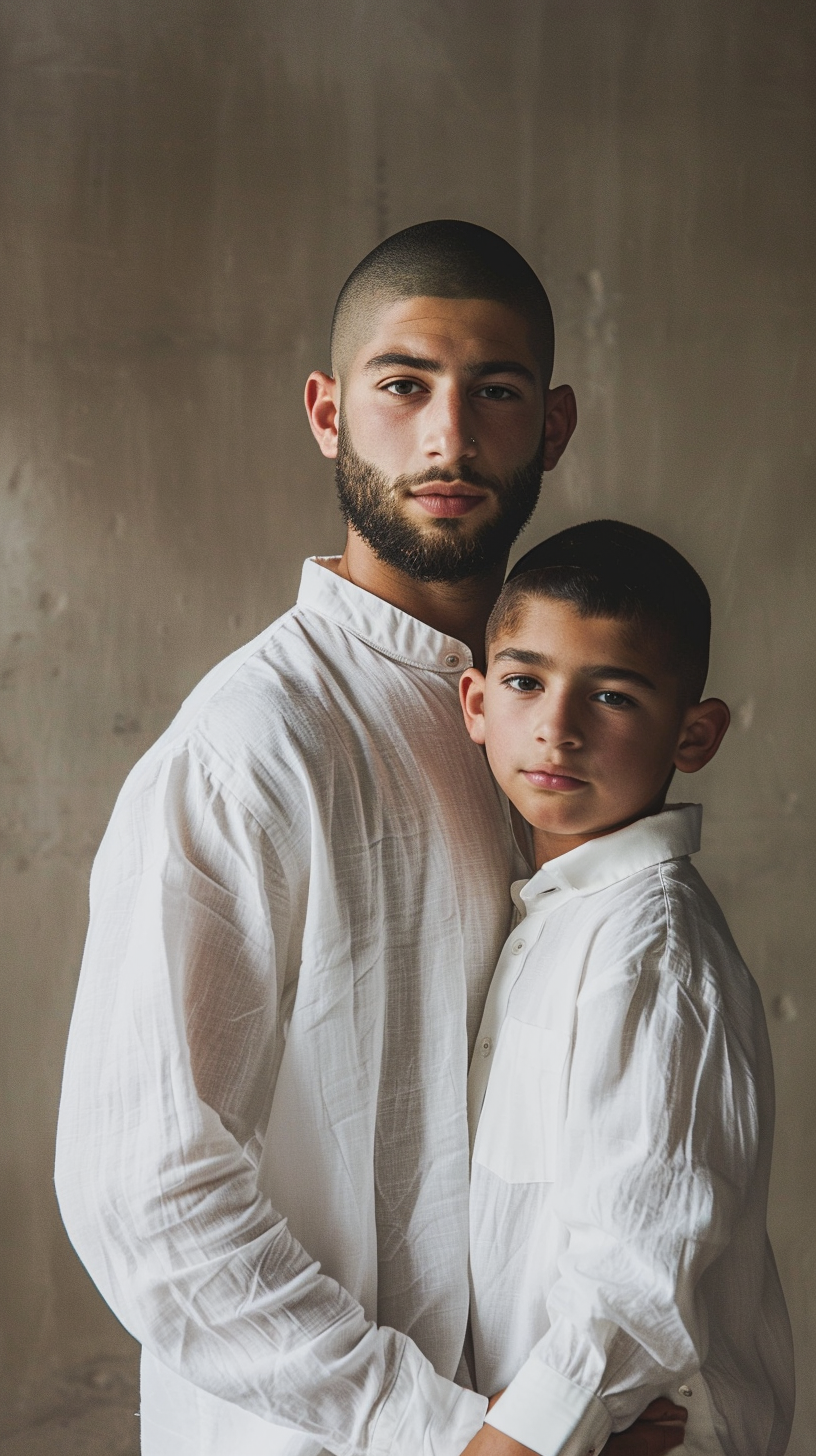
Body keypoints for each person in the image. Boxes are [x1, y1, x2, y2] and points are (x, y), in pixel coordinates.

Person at [55, 222, 684, 1456]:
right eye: (404, 386)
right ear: (328, 411)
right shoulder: (248, 747)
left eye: (494, 391)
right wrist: (440, 1430)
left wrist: (573, 1398)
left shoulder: (544, 731)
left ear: (552, 426)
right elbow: (147, 1191)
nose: (449, 436)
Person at [459, 520, 795, 1456]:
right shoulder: (552, 918)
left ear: (695, 733)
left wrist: (519, 1438)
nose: (557, 728)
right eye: (526, 682)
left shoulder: (653, 948)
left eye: (611, 695)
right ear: (476, 702)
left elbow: (642, 1267)